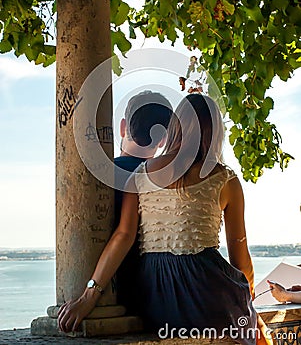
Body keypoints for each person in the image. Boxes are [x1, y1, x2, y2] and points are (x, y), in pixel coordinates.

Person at [58, 94, 268, 345]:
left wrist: (89, 296)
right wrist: (247, 296)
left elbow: (123, 237)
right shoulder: (226, 179)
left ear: (175, 127)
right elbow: (239, 250)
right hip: (207, 286)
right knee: (254, 333)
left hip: (154, 291)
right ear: (216, 133)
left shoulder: (140, 174)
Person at [114, 91, 173, 313]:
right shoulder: (170, 181)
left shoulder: (100, 175)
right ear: (163, 139)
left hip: (115, 287)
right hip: (157, 292)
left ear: (123, 127)